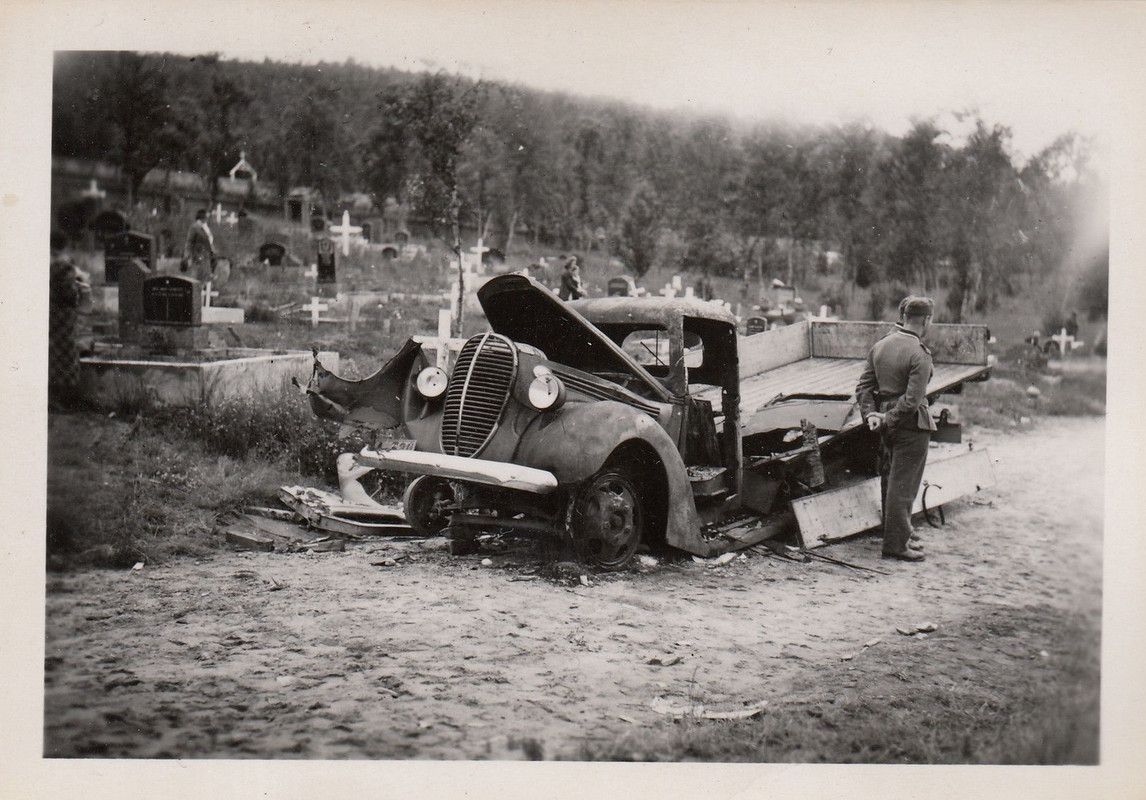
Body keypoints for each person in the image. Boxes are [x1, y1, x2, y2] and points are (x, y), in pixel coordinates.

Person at [855, 296, 937, 562]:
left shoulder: (880, 346)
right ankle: (896, 545)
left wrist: (871, 416)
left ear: (903, 316)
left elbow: (863, 387)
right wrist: (890, 417)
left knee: (890, 479)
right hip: (910, 425)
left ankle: (895, 533)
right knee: (904, 484)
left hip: (885, 423)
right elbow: (913, 401)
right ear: (926, 320)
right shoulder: (919, 353)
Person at [49, 231, 91, 412]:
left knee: (55, 353)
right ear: (65, 246)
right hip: (62, 316)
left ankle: (57, 397)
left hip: (51, 313)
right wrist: (80, 286)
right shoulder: (63, 266)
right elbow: (69, 293)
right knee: (64, 354)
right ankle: (60, 399)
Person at [182, 209, 216, 281]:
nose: (207, 218)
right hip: (198, 256)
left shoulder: (206, 227)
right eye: (206, 216)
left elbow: (209, 242)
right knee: (196, 278)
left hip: (206, 256)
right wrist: (187, 256)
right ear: (202, 216)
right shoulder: (195, 227)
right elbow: (189, 242)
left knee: (205, 278)